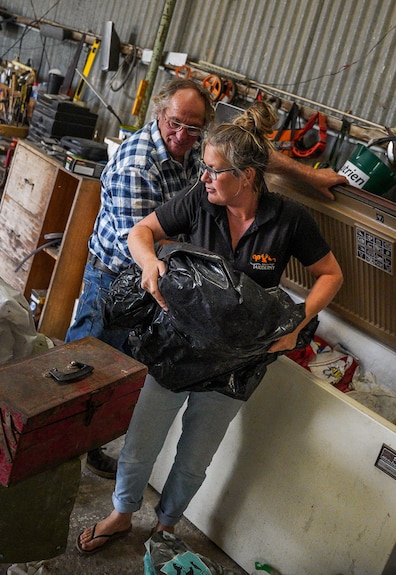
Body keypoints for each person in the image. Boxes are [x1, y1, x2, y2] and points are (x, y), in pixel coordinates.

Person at [75, 101, 344, 553]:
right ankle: (122, 513)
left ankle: (166, 527)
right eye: (204, 167)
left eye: (214, 170)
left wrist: (298, 322)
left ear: (248, 177)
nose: (203, 177)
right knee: (142, 441)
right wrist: (148, 266)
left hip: (238, 361)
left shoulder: (289, 219)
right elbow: (142, 231)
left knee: (196, 456)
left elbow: (331, 274)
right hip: (176, 345)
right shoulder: (200, 201)